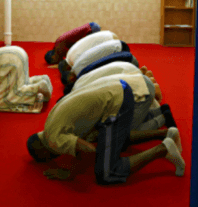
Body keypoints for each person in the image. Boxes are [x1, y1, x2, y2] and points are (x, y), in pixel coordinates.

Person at [26, 78, 185, 184]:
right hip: (116, 89)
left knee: (106, 173)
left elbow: (89, 151)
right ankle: (165, 133)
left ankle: (164, 149)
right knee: (110, 140)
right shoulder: (49, 123)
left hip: (117, 102)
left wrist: (70, 173)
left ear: (44, 153)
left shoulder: (53, 139)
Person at [68, 62, 177, 133]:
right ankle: (160, 111)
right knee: (129, 118)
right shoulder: (81, 86)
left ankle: (163, 118)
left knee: (128, 132)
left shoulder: (84, 98)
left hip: (140, 90)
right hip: (133, 78)